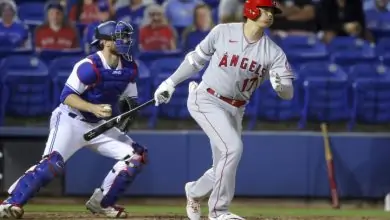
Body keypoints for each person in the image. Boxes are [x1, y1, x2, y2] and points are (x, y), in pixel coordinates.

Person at [153, 0, 295, 219]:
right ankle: (219, 212)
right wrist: (170, 83)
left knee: (224, 163)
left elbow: (288, 93)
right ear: (251, 10)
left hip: (236, 109)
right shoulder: (223, 31)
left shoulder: (274, 52)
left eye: (271, 11)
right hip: (207, 98)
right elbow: (195, 60)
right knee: (233, 149)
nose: (269, 14)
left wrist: (280, 86)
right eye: (265, 9)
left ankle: (193, 191)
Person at [0, 20, 148, 219]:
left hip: (100, 126)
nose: (125, 41)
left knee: (136, 156)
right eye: (119, 37)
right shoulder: (89, 66)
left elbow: (130, 99)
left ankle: (102, 203)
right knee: (52, 165)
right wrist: (93, 107)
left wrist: (127, 116)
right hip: (71, 120)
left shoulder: (129, 67)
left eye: (126, 36)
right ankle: (11, 203)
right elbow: (67, 96)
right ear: (104, 42)